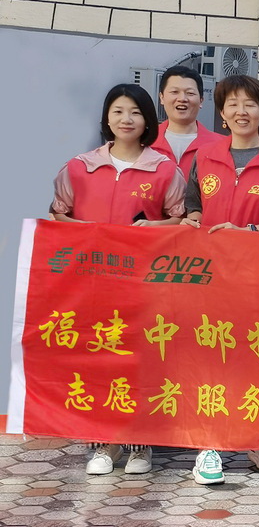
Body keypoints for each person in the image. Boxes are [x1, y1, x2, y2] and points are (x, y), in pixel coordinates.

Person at [51, 83, 186, 477]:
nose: (126, 119)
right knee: (100, 359)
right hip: (91, 282)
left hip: (145, 285)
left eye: (136, 112)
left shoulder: (164, 169)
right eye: (118, 111)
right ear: (107, 118)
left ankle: (141, 444)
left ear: (148, 120)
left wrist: (153, 227)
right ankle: (103, 442)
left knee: (142, 360)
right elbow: (58, 213)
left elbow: (180, 219)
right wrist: (86, 231)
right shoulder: (79, 167)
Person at [182, 75, 259, 487]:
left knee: (257, 357)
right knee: (212, 357)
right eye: (232, 103)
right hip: (211, 277)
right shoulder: (205, 156)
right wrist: (193, 221)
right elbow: (193, 207)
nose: (241, 111)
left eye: (250, 104)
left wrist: (249, 232)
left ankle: (258, 439)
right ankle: (209, 444)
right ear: (221, 112)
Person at [150, 65, 219, 177]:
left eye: (190, 93)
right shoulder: (145, 142)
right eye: (174, 92)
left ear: (201, 100)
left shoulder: (220, 146)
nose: (182, 99)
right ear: (161, 98)